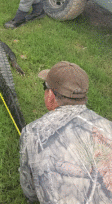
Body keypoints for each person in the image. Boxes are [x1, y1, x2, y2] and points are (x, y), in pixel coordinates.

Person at [19, 61, 112, 203]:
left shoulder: (32, 132)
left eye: (44, 87)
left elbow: (30, 191)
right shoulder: (108, 126)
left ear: (50, 95)